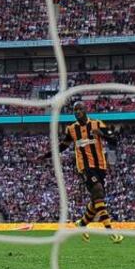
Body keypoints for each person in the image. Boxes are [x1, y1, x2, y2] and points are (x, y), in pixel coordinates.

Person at [51, 101, 123, 244]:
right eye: (75, 110)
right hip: (84, 167)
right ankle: (111, 232)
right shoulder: (72, 129)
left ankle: (82, 224)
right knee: (98, 192)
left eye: (80, 109)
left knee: (97, 199)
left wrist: (101, 134)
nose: (77, 112)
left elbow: (114, 140)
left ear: (86, 110)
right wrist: (48, 154)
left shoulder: (97, 124)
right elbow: (63, 146)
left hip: (100, 166)